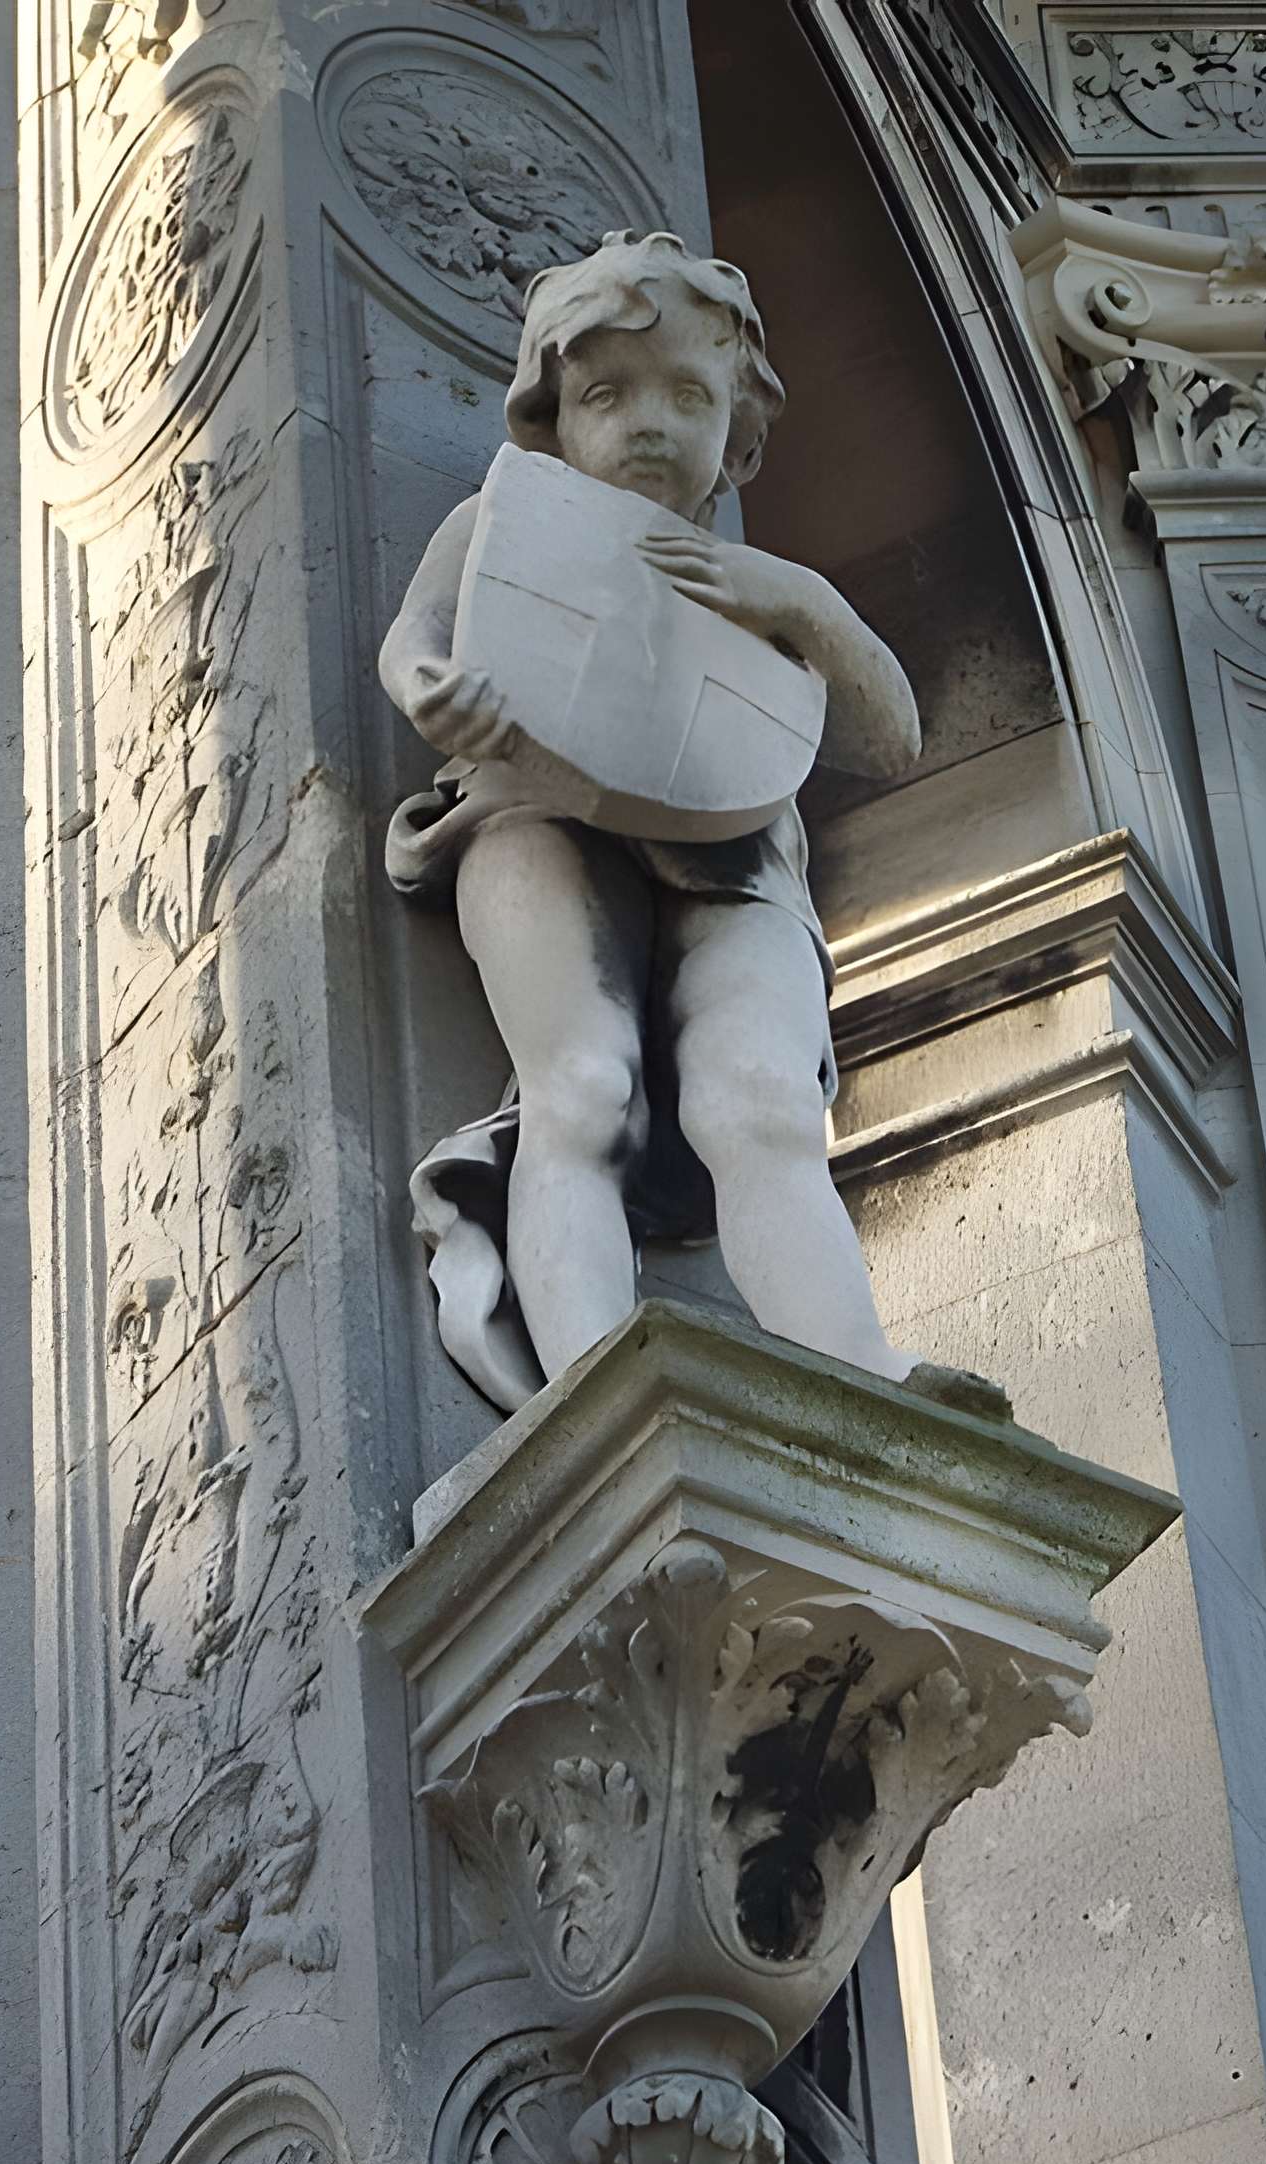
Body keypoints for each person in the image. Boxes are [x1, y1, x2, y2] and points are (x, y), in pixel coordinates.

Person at [379, 229, 924, 1411]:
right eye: (608, 394)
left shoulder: (758, 592)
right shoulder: (501, 525)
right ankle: (595, 1397)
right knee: (581, 1087)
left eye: (689, 394)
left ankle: (859, 1367)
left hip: (735, 852)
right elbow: (415, 642)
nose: (651, 423)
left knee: (765, 1096)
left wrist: (810, 604)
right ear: (553, 416)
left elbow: (892, 741)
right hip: (529, 809)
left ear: (738, 428)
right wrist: (433, 690)